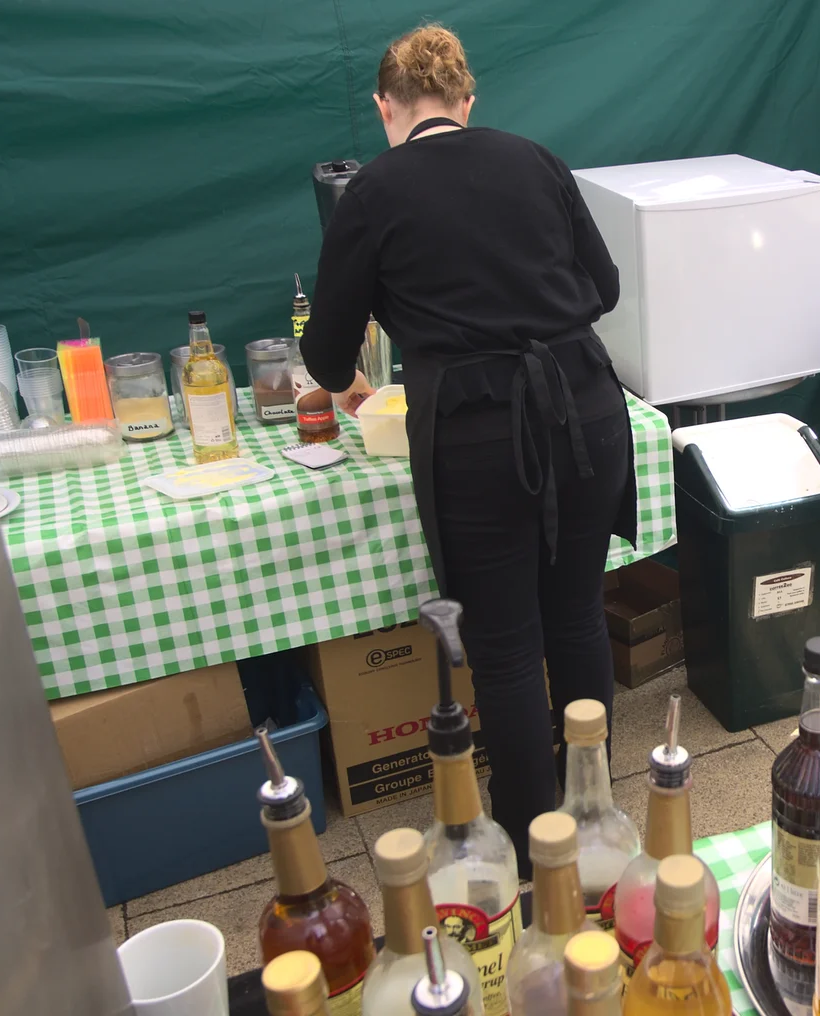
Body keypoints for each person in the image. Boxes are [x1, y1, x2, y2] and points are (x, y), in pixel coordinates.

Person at [301, 23, 633, 867]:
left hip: (478, 430)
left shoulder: (372, 192)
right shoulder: (536, 159)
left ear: (387, 107)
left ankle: (535, 851)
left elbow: (328, 357)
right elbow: (605, 286)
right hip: (587, 407)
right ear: (467, 100)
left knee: (507, 646)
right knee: (574, 615)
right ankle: (594, 814)